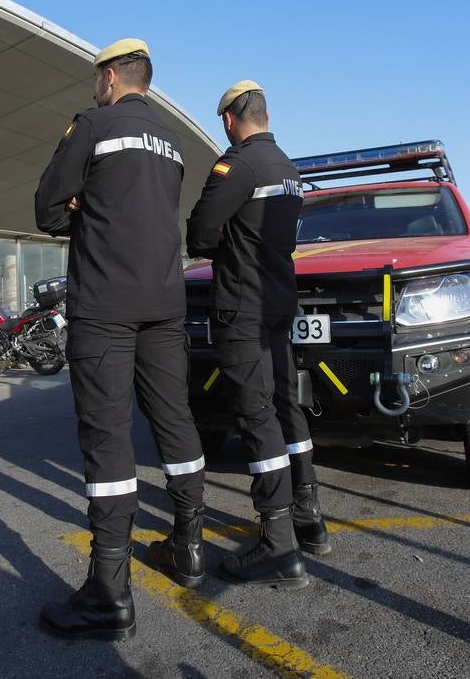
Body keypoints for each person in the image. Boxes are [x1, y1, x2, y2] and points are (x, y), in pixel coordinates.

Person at [33, 38, 206, 641]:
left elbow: (48, 209)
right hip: (164, 303)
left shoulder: (93, 124)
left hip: (105, 304)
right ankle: (188, 546)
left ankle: (108, 594)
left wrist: (86, 207)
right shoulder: (170, 140)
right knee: (175, 421)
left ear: (109, 77)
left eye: (95, 78)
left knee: (108, 438)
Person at [185, 79, 321, 589]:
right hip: (279, 300)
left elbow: (199, 233)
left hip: (241, 304)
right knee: (287, 405)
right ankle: (309, 515)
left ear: (228, 119)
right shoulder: (288, 168)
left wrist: (225, 243)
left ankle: (278, 543)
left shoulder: (236, 164)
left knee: (255, 413)